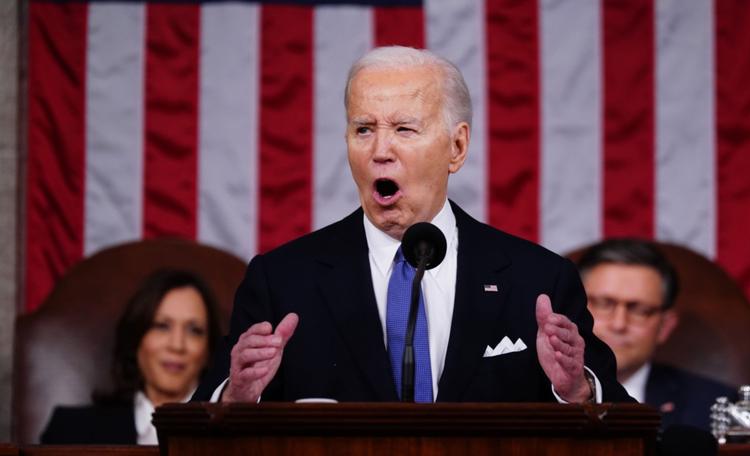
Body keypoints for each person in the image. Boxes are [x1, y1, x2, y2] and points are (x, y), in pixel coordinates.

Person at [192, 46, 632, 405]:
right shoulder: (282, 280)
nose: (380, 150)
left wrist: (576, 390)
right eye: (363, 129)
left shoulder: (537, 279)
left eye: (404, 129)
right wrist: (236, 398)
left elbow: (624, 425)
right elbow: (201, 421)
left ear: (456, 147)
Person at [41, 269, 222, 444]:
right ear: (136, 340)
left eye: (194, 331)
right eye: (161, 326)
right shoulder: (70, 431)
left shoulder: (231, 436)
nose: (177, 345)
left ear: (208, 350)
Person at [576, 238, 737, 431]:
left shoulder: (713, 408)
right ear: (574, 311)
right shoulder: (532, 393)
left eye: (640, 310)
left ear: (664, 327)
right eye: (604, 304)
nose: (619, 324)